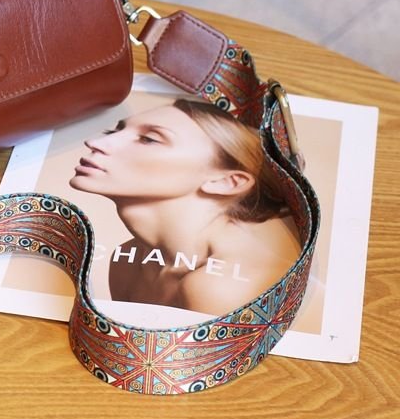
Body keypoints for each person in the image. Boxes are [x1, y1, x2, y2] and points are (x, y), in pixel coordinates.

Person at [69, 99, 300, 316]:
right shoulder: (128, 262)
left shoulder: (220, 288)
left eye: (149, 139)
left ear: (226, 182)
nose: (95, 143)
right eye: (113, 131)